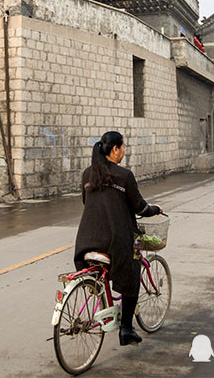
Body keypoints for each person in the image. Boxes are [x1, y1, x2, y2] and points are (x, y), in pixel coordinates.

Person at [74, 131, 163, 347]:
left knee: (102, 271)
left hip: (86, 240)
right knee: (131, 272)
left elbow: (88, 202)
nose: (124, 152)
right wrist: (155, 209)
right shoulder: (124, 176)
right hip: (116, 241)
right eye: (123, 147)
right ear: (115, 149)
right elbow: (139, 207)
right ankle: (126, 329)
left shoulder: (88, 174)